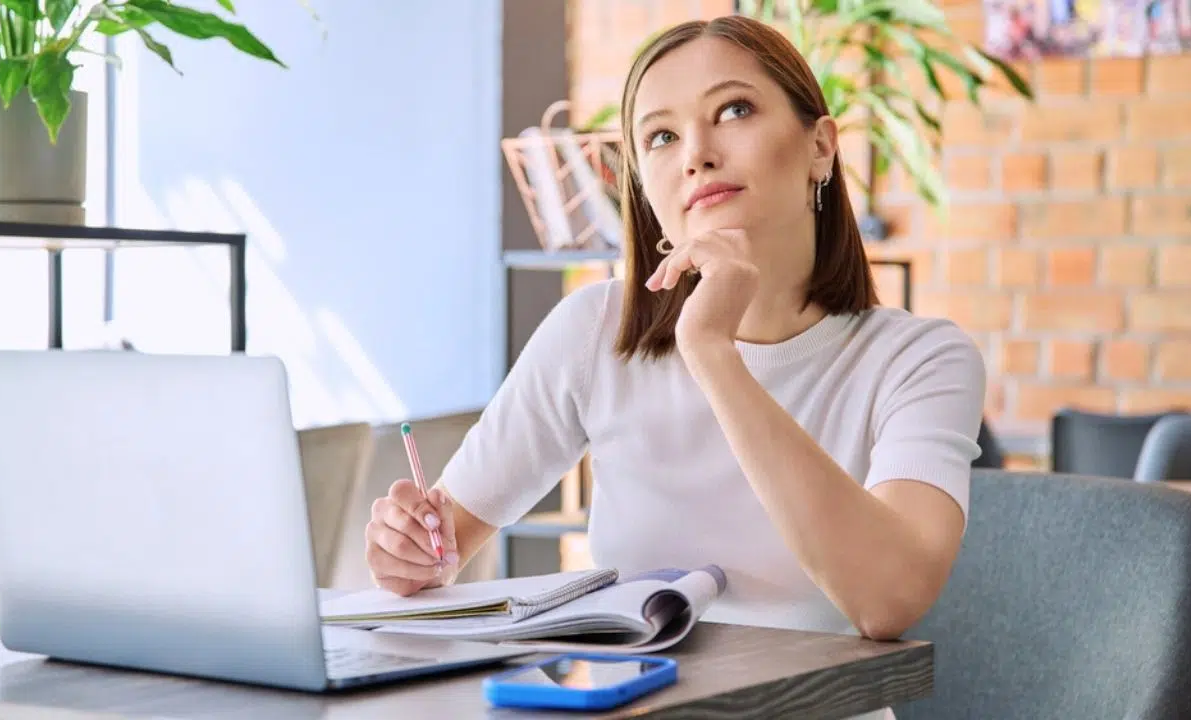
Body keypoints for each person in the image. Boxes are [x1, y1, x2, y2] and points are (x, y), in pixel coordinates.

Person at [365, 12, 984, 662]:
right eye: (661, 136)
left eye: (735, 109)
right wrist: (410, 553)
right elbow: (444, 546)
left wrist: (714, 354)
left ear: (821, 147)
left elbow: (887, 600)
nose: (696, 155)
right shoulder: (594, 331)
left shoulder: (920, 359)